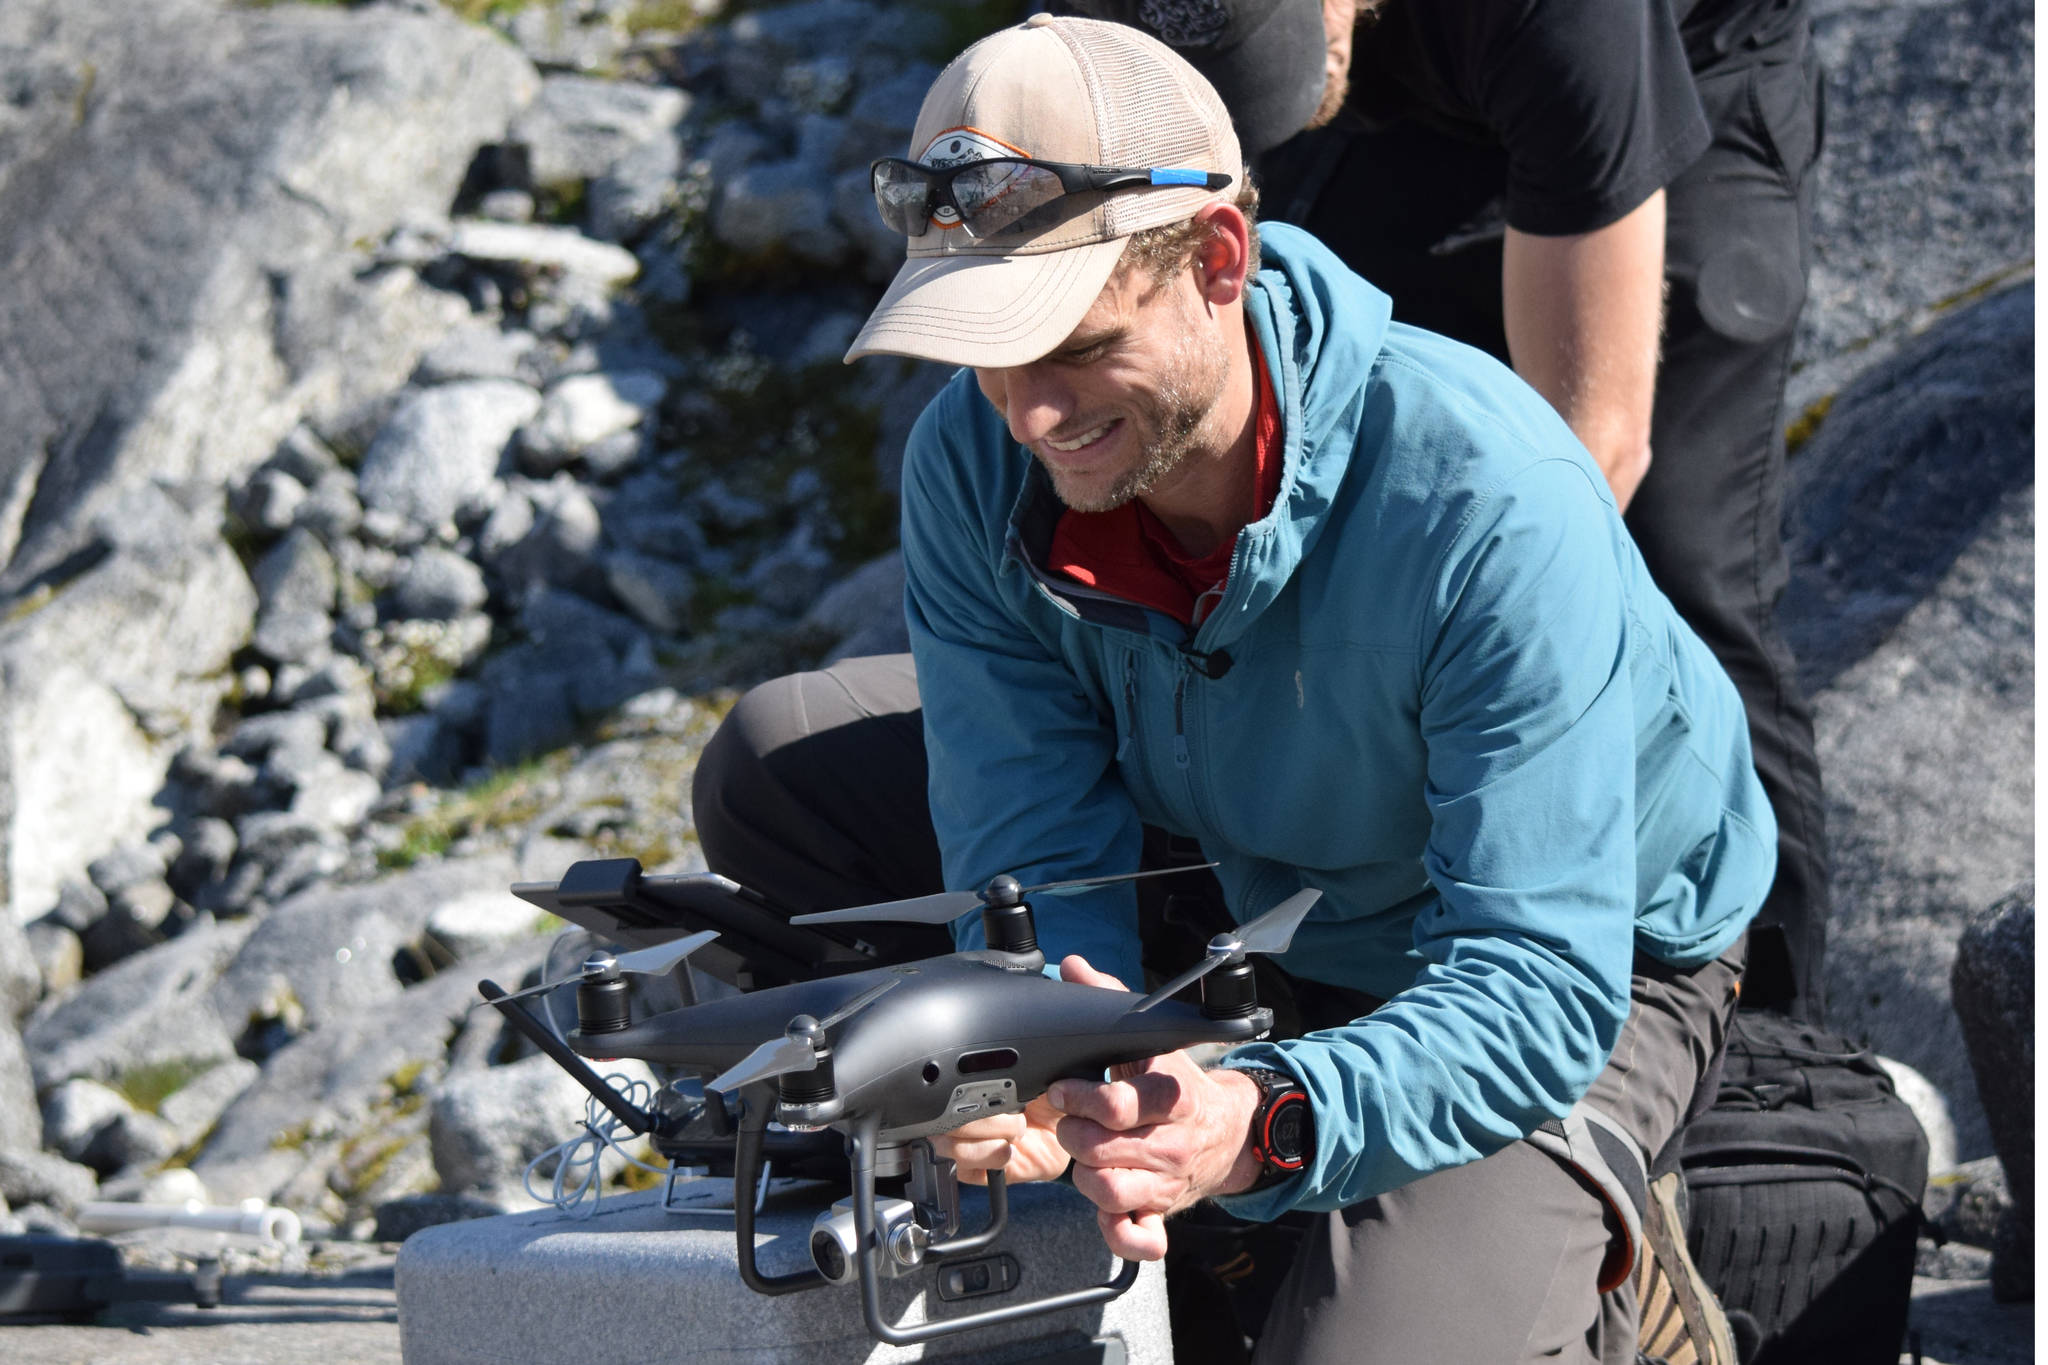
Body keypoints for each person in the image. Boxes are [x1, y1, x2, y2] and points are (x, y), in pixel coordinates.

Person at [690, 15, 1771, 1362]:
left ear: (1215, 260)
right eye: (985, 346)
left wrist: (1251, 1118)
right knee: (781, 758)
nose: (1029, 411)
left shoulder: (1487, 501)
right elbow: (1030, 840)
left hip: (1575, 954)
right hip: (1258, 860)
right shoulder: (977, 464)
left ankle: (1614, 1271)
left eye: (1073, 341)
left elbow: (1534, 976)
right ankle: (1251, 1192)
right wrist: (1054, 1066)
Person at [1075, 0, 1831, 1021]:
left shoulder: (1561, 24)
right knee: (1302, 409)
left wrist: (1420, 643)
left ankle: (1770, 1036)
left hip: (1669, 73)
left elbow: (1588, 455)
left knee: (1668, 574)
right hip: (1407, 94)